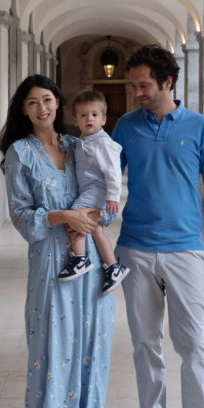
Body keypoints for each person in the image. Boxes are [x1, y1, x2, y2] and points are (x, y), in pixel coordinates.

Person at [112, 45, 204, 408]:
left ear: (167, 82)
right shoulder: (125, 126)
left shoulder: (199, 126)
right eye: (133, 85)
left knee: (196, 345)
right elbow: (107, 177)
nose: (138, 92)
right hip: (135, 247)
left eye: (144, 84)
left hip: (185, 249)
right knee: (146, 345)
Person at [0, 75, 114, 408]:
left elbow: (107, 197)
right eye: (32, 102)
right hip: (50, 263)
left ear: (59, 103)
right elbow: (21, 216)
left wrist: (96, 215)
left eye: (47, 99)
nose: (42, 108)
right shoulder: (19, 153)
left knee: (91, 354)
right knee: (51, 350)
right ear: (24, 110)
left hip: (91, 263)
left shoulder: (78, 144)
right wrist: (65, 216)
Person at [58, 90, 130, 294]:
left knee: (74, 217)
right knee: (96, 229)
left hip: (97, 190)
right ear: (75, 120)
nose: (89, 118)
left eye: (94, 115)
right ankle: (113, 267)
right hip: (90, 189)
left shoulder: (102, 142)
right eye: (83, 115)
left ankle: (80, 259)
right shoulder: (83, 140)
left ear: (104, 119)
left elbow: (114, 172)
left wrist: (112, 197)